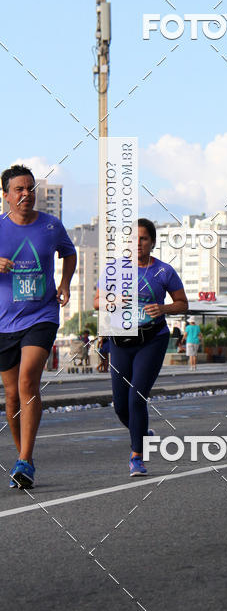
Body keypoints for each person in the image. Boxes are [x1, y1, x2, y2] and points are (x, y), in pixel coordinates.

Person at [0, 164, 76, 489]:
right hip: (4, 320)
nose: (26, 194)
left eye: (30, 188)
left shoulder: (51, 225)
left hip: (42, 314)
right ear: (5, 196)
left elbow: (69, 253)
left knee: (28, 381)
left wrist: (65, 283)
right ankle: (25, 460)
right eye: (18, 189)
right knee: (11, 395)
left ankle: (24, 459)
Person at [94, 218, 188, 476]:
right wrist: (113, 299)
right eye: (133, 239)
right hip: (121, 341)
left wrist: (164, 308)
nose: (138, 243)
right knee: (120, 405)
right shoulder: (114, 269)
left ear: (152, 242)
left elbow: (182, 303)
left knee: (137, 397)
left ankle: (137, 455)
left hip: (152, 339)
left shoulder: (164, 271)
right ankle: (143, 434)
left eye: (143, 238)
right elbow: (96, 302)